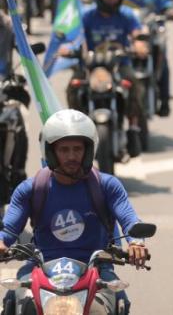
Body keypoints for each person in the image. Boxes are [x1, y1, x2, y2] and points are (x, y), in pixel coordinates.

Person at [0, 110, 150, 314]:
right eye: (64, 150)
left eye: (77, 149)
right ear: (50, 152)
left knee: (118, 301)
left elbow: (130, 219)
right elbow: (8, 230)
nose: (72, 156)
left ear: (88, 151)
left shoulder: (107, 185)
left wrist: (136, 243)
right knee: (15, 300)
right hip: (41, 268)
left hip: (95, 268)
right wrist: (2, 243)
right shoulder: (31, 189)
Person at [122, 0, 173, 117]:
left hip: (152, 32)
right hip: (130, 34)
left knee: (162, 57)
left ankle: (165, 99)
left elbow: (167, 4)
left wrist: (171, 11)